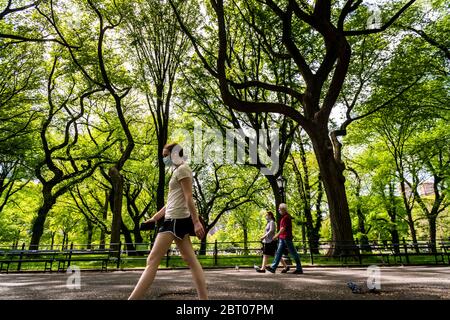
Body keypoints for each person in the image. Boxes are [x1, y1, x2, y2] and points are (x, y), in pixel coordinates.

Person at [128, 143, 208, 300]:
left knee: (152, 260)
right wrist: (154, 218)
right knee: (191, 260)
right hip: (173, 219)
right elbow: (171, 202)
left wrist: (196, 222)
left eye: (166, 155)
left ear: (175, 155)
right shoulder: (176, 170)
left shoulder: (184, 169)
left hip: (175, 222)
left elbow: (189, 197)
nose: (164, 158)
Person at [266, 203, 303, 274]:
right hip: (282, 238)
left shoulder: (286, 217)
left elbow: (283, 229)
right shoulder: (285, 217)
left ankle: (299, 269)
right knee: (278, 253)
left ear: (283, 209)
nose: (278, 210)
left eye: (279, 209)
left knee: (294, 253)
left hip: (286, 238)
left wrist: (276, 236)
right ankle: (273, 268)